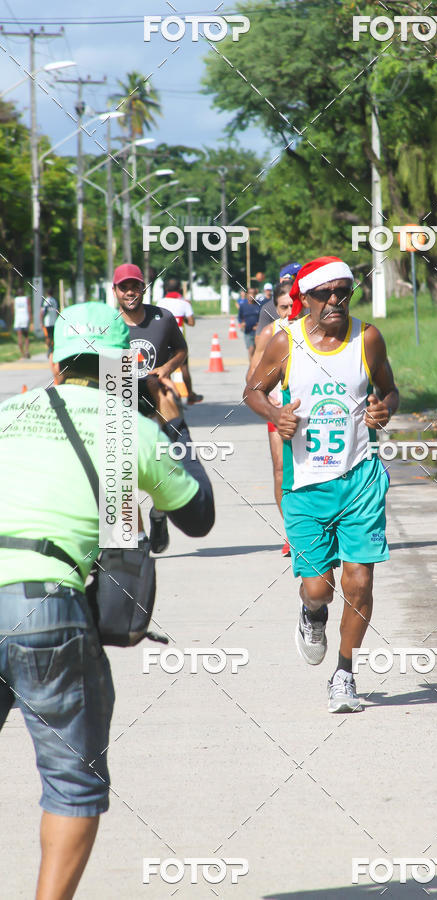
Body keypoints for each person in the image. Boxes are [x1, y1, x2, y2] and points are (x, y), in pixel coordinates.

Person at [0, 301, 215, 900]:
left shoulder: (6, 412)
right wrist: (174, 425)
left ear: (53, 362)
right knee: (72, 783)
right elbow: (198, 516)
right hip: (47, 609)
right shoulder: (132, 430)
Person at [244, 256, 399, 713]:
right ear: (305, 299)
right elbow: (252, 391)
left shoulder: (367, 338)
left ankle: (345, 673)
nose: (334, 301)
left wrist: (384, 407)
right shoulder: (284, 342)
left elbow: (389, 388)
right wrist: (276, 415)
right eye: (324, 294)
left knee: (360, 582)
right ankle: (313, 615)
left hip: (360, 478)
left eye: (342, 292)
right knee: (319, 589)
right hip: (306, 483)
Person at [112, 263, 189, 555]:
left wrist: (167, 369)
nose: (130, 292)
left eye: (135, 286)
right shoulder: (108, 324)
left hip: (157, 402)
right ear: (115, 290)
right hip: (120, 403)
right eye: (124, 287)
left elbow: (181, 350)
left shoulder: (163, 318)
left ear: (144, 288)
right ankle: (140, 537)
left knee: (162, 466)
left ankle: (159, 514)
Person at [247, 282, 294, 556]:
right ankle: (292, 532)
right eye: (282, 307)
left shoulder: (315, 330)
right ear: (275, 308)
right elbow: (252, 376)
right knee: (280, 469)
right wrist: (270, 402)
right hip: (278, 410)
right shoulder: (270, 333)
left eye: (292, 305)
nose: (289, 312)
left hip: (312, 410)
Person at [156, 276, 203, 404]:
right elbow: (192, 323)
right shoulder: (185, 304)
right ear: (179, 289)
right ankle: (190, 395)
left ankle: (166, 395)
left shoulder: (160, 303)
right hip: (179, 341)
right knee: (184, 368)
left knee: (165, 369)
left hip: (163, 340)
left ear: (165, 289)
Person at [256, 262, 302, 334]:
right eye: (284, 307)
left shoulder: (311, 304)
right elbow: (259, 339)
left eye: (298, 277)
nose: (290, 312)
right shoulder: (267, 308)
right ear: (282, 280)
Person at [237, 287, 260, 361]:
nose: (251, 295)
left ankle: (255, 366)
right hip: (248, 332)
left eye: (253, 293)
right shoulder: (243, 306)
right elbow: (240, 317)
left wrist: (259, 325)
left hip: (258, 332)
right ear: (247, 295)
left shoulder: (259, 305)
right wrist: (242, 323)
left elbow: (263, 318)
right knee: (251, 349)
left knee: (257, 351)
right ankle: (252, 368)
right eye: (250, 293)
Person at [40, 288, 60, 357]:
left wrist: (41, 319)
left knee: (47, 336)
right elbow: (57, 311)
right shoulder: (55, 301)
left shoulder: (46, 300)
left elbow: (44, 311)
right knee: (53, 336)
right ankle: (52, 348)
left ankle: (49, 349)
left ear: (47, 293)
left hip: (47, 322)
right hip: (54, 321)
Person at [13, 292, 32, 358]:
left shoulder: (15, 300)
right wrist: (31, 320)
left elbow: (13, 310)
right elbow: (29, 309)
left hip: (18, 319)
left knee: (19, 337)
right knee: (26, 336)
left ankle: (22, 353)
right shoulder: (26, 299)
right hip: (25, 318)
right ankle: (27, 351)